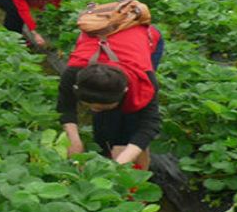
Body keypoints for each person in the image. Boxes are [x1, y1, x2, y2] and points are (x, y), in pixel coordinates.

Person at [57, 24, 163, 169]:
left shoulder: (144, 80)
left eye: (102, 106)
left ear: (125, 90)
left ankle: (137, 173)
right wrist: (74, 141)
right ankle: (107, 146)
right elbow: (66, 107)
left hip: (144, 36)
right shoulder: (73, 74)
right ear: (77, 88)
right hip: (106, 43)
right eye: (90, 106)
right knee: (106, 122)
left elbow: (149, 125)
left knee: (133, 119)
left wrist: (119, 163)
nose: (94, 110)